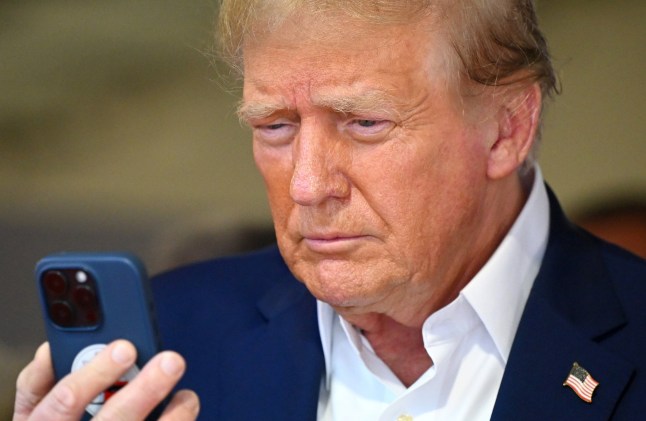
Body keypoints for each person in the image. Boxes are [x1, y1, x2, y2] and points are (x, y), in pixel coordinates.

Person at [14, 0, 646, 419]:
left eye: (366, 122)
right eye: (275, 126)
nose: (308, 186)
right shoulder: (170, 340)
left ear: (507, 129)